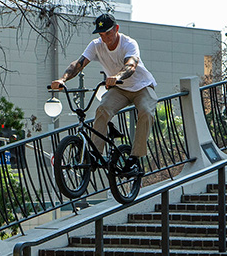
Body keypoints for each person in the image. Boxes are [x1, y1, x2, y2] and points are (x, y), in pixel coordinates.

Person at [50, 13, 157, 177]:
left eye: (108, 33)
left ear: (116, 29)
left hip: (141, 86)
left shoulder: (129, 43)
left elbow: (131, 65)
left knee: (146, 112)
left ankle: (135, 157)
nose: (105, 38)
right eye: (101, 34)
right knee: (102, 110)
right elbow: (78, 64)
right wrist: (62, 79)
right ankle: (94, 155)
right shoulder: (96, 45)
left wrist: (118, 76)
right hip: (119, 90)